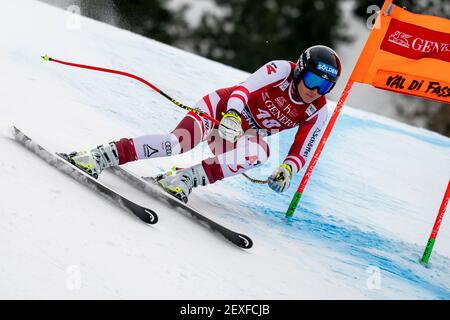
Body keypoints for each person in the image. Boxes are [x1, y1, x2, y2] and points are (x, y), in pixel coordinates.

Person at [66, 45, 342, 203]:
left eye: (325, 85)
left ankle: (183, 179)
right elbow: (242, 90)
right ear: (301, 71)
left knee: (261, 154)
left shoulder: (317, 109)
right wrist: (233, 115)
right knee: (176, 142)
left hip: (238, 135)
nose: (316, 90)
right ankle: (98, 156)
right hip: (218, 111)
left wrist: (287, 170)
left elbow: (301, 150)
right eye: (313, 80)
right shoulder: (281, 70)